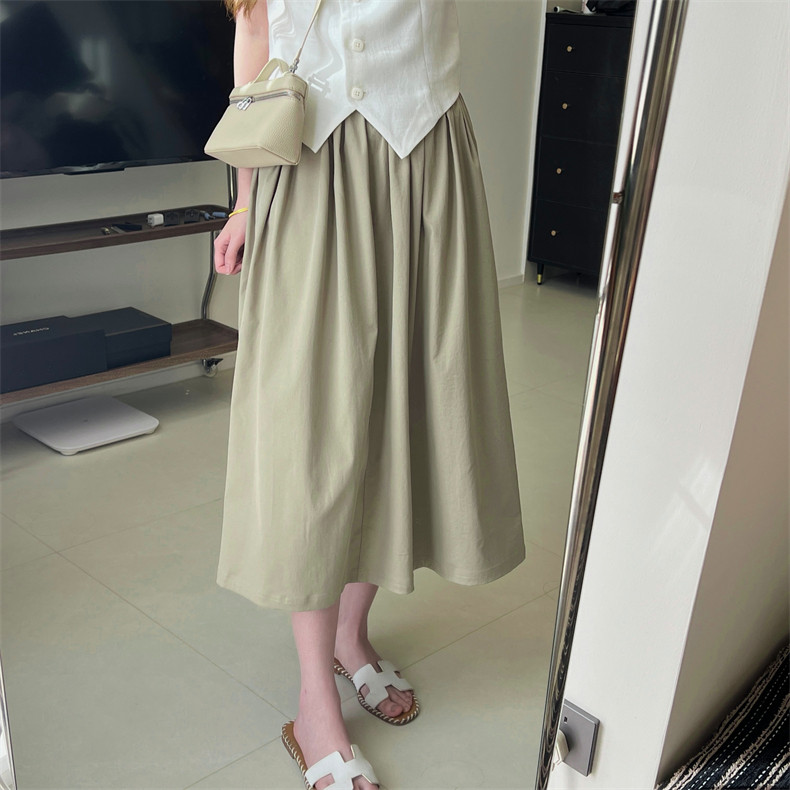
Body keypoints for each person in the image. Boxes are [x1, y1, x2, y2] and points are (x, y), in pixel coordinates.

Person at [212, 1, 526, 787]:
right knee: (316, 432)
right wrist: (245, 199)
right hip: (309, 169)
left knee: (404, 411)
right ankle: (313, 698)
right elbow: (255, 33)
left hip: (426, 162)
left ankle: (352, 637)